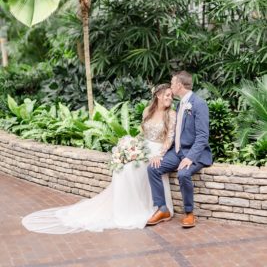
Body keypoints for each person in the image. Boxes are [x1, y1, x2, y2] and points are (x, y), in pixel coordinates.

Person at [22, 84, 176, 234]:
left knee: (130, 170)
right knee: (122, 169)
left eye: (171, 95)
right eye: (167, 95)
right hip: (143, 148)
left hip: (157, 150)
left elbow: (170, 138)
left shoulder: (171, 114)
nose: (170, 98)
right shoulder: (148, 111)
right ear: (158, 95)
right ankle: (123, 209)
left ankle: (140, 209)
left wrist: (160, 154)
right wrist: (131, 146)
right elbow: (142, 133)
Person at [147, 71, 212, 228]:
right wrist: (160, 154)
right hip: (177, 152)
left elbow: (203, 137)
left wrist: (190, 158)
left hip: (195, 154)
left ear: (179, 85)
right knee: (153, 168)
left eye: (172, 82)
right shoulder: (179, 104)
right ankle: (162, 209)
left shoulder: (199, 104)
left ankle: (189, 213)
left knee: (183, 173)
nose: (170, 85)